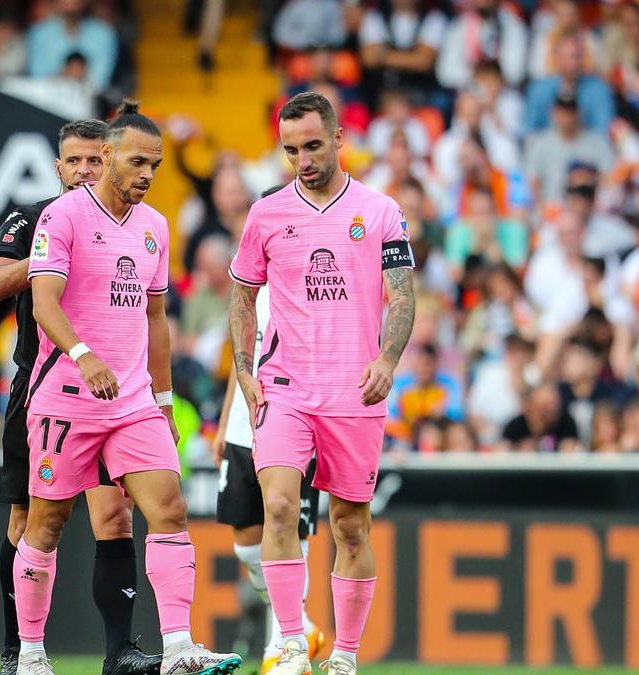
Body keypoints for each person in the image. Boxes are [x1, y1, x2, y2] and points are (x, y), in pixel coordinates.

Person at [14, 101, 242, 675]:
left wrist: (163, 401)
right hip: (66, 395)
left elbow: (154, 319)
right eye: (137, 161)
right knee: (48, 523)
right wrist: (84, 354)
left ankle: (179, 648)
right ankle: (34, 654)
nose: (146, 174)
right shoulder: (62, 217)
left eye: (156, 165)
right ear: (108, 155)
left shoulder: (155, 227)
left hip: (134, 401)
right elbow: (43, 301)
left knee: (169, 508)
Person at [228, 92, 416, 675]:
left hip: (353, 391)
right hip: (284, 385)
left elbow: (403, 294)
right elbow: (241, 294)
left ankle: (346, 655)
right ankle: (289, 644)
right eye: (290, 150)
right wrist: (243, 368)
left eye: (312, 146)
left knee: (349, 525)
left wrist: (387, 359)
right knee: (279, 506)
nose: (302, 160)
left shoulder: (380, 211)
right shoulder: (266, 214)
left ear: (338, 139)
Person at [0, 118, 160, 675]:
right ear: (59, 167)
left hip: (113, 392)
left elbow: (153, 312)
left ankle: (120, 651)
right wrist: (54, 253)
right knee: (27, 518)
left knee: (116, 516)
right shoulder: (34, 217)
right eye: (74, 161)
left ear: (107, 158)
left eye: (93, 159)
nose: (85, 170)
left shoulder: (131, 223)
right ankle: (20, 651)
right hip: (42, 383)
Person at [213, 188, 326, 674]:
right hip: (243, 424)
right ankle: (299, 622)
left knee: (288, 529)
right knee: (244, 540)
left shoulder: (312, 287)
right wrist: (222, 424)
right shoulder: (247, 290)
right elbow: (240, 361)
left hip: (293, 423)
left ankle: (284, 649)